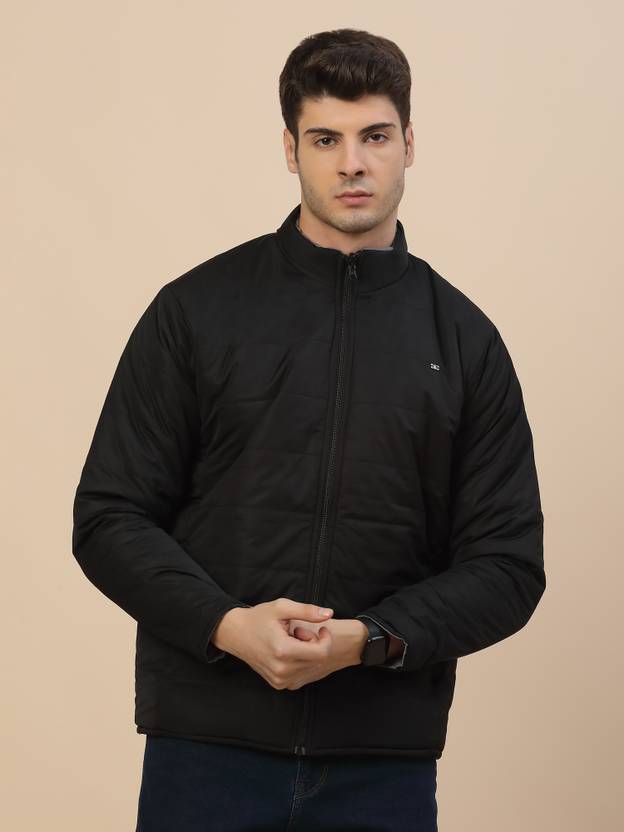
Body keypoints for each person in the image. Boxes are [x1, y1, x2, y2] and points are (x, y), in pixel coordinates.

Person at [71, 27, 546, 832]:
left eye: (374, 137)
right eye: (326, 139)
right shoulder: (196, 311)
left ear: (409, 145)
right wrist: (229, 628)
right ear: (290, 150)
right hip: (205, 753)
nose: (352, 163)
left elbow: (507, 565)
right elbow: (109, 516)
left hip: (381, 767)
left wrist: (369, 641)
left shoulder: (466, 343)